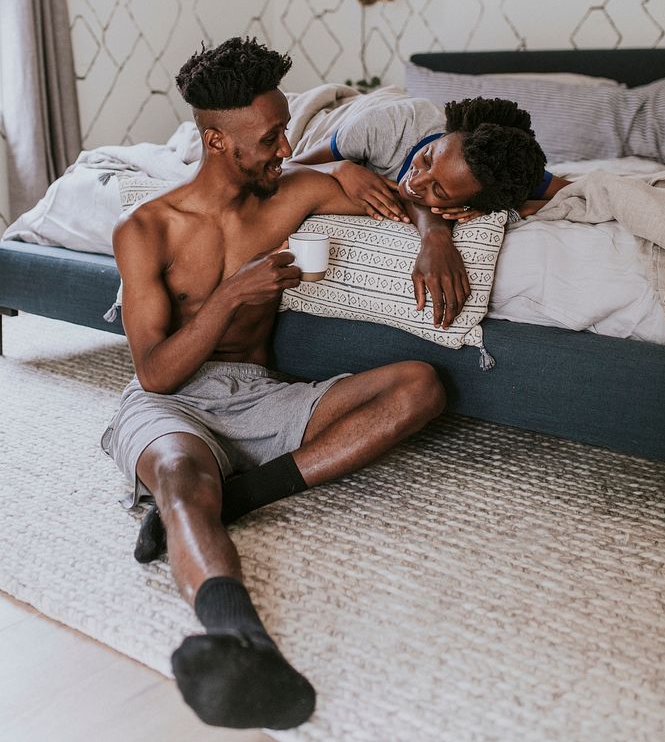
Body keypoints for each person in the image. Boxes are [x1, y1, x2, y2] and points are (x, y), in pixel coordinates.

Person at [100, 37, 446, 732]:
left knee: (421, 386)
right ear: (216, 142)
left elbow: (406, 194)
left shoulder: (293, 192)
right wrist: (231, 295)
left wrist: (431, 232)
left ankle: (248, 491)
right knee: (178, 476)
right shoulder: (146, 229)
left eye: (286, 127)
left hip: (259, 392)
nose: (285, 146)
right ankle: (241, 639)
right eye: (268, 136)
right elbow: (154, 372)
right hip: (173, 400)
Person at [289, 94, 568, 329]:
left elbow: (574, 192)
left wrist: (519, 207)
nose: (415, 182)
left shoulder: (500, 170)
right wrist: (342, 168)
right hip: (348, 119)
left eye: (440, 191)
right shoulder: (386, 128)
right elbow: (289, 168)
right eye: (427, 158)